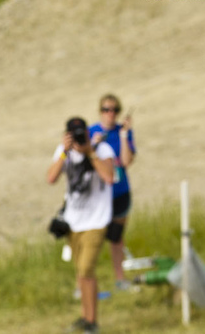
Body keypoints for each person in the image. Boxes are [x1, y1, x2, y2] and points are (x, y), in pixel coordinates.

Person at [46, 116, 116, 334]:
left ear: (87, 132)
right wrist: (65, 151)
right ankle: (87, 317)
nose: (78, 138)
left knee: (86, 269)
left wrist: (90, 152)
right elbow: (51, 178)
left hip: (97, 220)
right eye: (73, 134)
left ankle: (92, 322)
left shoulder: (101, 149)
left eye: (81, 133)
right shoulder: (64, 151)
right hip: (74, 222)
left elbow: (109, 177)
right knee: (82, 273)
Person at [88, 94, 137, 291]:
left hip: (119, 191)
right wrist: (93, 145)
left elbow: (126, 162)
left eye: (115, 110)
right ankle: (85, 282)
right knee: (92, 238)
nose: (111, 114)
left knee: (116, 237)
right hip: (98, 194)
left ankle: (119, 278)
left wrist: (125, 135)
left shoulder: (123, 132)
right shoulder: (91, 131)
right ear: (101, 111)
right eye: (107, 110)